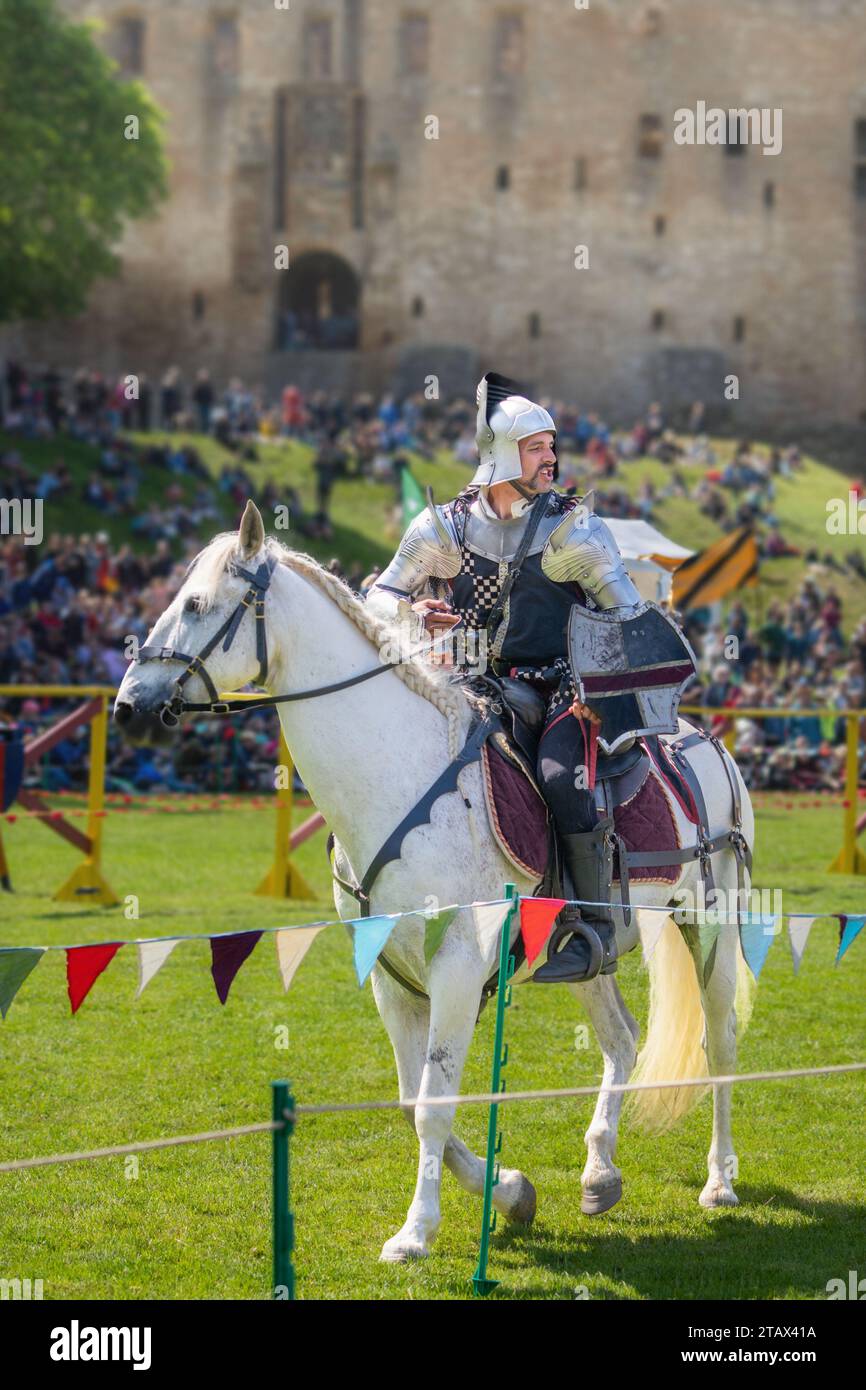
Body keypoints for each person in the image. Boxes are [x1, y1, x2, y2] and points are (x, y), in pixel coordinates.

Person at [366, 372, 664, 984]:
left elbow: (628, 617)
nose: (551, 458)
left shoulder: (571, 528)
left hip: (561, 690)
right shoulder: (442, 528)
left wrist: (595, 688)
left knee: (560, 778)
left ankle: (593, 928)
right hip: (468, 684)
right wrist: (412, 611)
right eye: (537, 447)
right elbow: (377, 598)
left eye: (552, 446)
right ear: (502, 453)